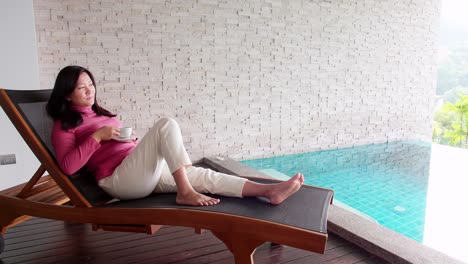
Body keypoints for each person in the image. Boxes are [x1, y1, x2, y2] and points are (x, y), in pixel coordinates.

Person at [46, 65, 304, 206]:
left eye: (91, 84)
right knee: (166, 124)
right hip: (120, 181)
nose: (89, 90)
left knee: (204, 176)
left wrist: (127, 141)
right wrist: (99, 137)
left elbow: (119, 146)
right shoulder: (64, 124)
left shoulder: (102, 113)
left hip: (139, 171)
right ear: (68, 93)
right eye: (81, 87)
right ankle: (185, 192)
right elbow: (68, 167)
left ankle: (269, 191)